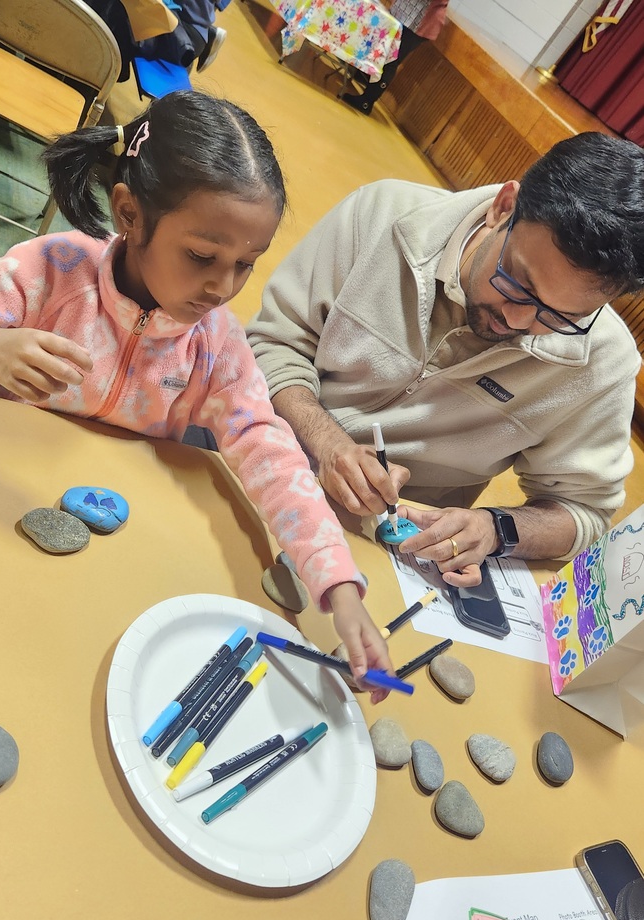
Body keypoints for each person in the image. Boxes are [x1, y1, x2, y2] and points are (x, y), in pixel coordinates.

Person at [0, 91, 392, 700]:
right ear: (129, 213)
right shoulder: (51, 270)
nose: (223, 286)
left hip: (106, 556)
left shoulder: (216, 345)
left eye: (247, 264)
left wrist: (339, 587)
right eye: (202, 257)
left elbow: (270, 452)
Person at [247, 132, 644, 587]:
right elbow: (273, 343)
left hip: (387, 555)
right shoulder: (383, 216)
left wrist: (496, 529)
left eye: (560, 316)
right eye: (516, 280)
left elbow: (585, 510)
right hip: (258, 453)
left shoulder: (603, 363)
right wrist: (326, 442)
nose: (516, 318)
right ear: (504, 207)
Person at [342, 0, 449, 116]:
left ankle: (366, 102)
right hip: (406, 15)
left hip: (417, 21)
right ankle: (364, 78)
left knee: (391, 59)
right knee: (383, 51)